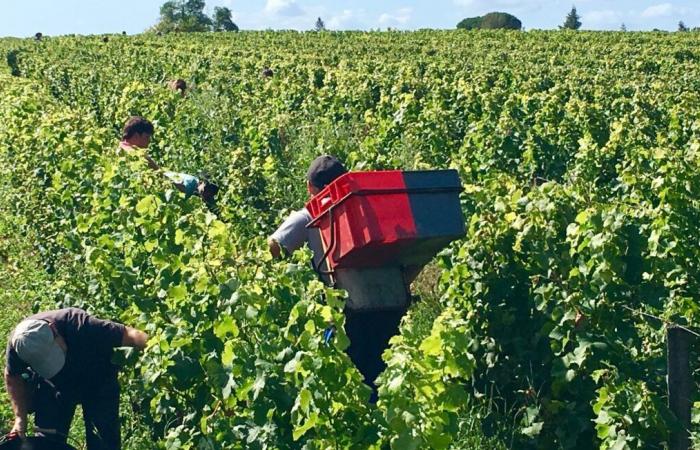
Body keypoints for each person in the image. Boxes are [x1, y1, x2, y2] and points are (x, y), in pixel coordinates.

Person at [268, 155, 410, 402]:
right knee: (381, 379)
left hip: (346, 312)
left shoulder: (308, 215)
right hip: (388, 303)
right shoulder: (369, 209)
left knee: (346, 384)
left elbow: (274, 245)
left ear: (311, 187)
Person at [4, 308, 148, 449]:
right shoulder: (21, 344)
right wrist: (20, 419)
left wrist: (158, 351)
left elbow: (132, 335)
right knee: (47, 442)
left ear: (53, 330)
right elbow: (13, 376)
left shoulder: (81, 325)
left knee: (103, 441)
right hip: (53, 385)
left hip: (99, 381)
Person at [117, 116, 219, 206]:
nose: (148, 141)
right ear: (136, 136)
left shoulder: (119, 149)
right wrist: (178, 187)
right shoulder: (138, 156)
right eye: (146, 137)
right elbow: (159, 174)